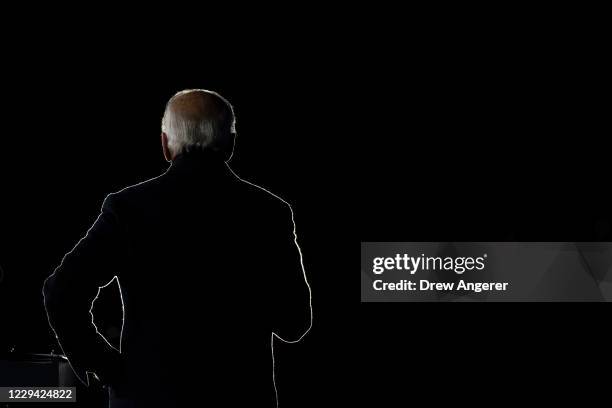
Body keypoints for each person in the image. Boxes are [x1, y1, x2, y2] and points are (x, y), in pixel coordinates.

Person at [42, 89, 312, 407]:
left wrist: (106, 367)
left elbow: (61, 291)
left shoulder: (127, 209)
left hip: (145, 397)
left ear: (166, 145)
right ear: (231, 143)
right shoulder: (271, 213)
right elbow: (295, 324)